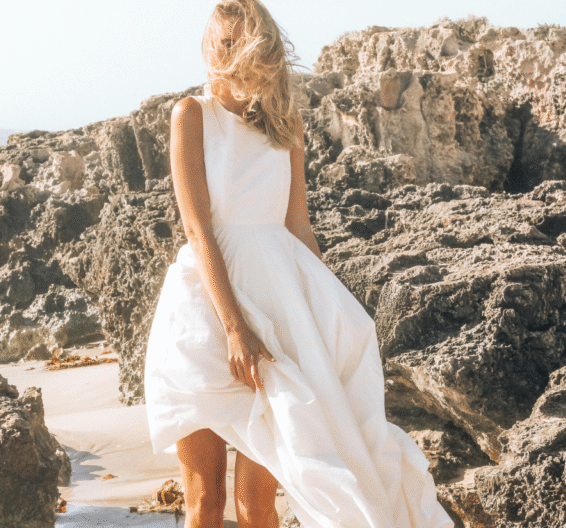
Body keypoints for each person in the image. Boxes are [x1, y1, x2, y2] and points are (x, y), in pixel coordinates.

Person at [144, 1, 455, 527]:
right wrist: (235, 328)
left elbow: (298, 228)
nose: (233, 55)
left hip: (279, 318)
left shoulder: (286, 126)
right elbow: (197, 230)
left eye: (243, 44)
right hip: (201, 318)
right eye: (225, 43)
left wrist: (330, 317)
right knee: (205, 501)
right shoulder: (191, 114)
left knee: (259, 503)